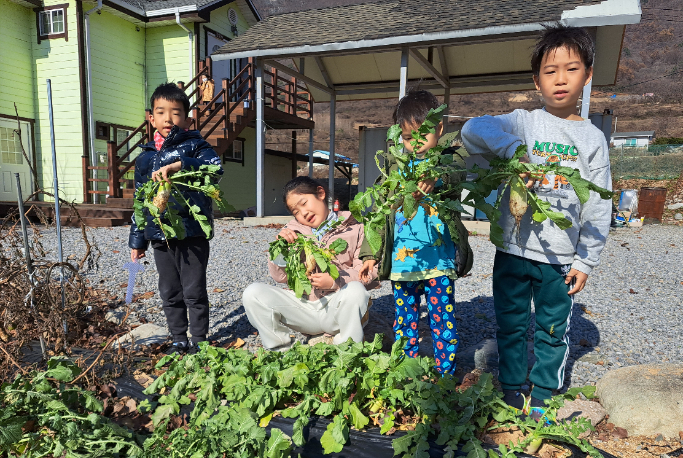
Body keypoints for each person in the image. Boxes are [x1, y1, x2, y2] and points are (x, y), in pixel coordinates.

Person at [461, 24, 612, 419]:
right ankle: (512, 387)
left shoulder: (593, 139)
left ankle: (544, 392)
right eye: (550, 71)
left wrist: (585, 260)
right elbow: (471, 129)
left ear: (588, 74)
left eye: (571, 69)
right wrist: (514, 149)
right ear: (536, 80)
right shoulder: (525, 124)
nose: (560, 79)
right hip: (512, 249)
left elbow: (598, 205)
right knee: (509, 325)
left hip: (560, 258)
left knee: (551, 329)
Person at [358, 89, 473, 375]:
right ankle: (405, 371)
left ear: (440, 128)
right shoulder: (393, 167)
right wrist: (371, 254)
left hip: (438, 262)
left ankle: (445, 375)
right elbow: (379, 216)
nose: (416, 144)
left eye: (423, 135)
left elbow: (455, 171)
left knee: (442, 319)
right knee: (404, 321)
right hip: (402, 263)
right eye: (408, 138)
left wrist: (435, 176)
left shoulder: (448, 159)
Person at [129, 82, 223, 355]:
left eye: (176, 113)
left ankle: (200, 340)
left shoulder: (196, 146)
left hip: (191, 231)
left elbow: (215, 169)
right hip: (160, 233)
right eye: (161, 112)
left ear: (187, 118)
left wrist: (182, 165)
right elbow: (139, 201)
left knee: (194, 290)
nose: (168, 119)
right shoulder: (145, 158)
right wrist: (137, 240)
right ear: (151, 117)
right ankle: (179, 338)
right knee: (169, 290)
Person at [242, 177, 378, 351]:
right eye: (296, 211)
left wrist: (335, 281)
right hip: (306, 307)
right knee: (253, 293)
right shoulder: (292, 232)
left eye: (304, 203)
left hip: (338, 307)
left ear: (320, 193)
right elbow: (280, 277)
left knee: (356, 290)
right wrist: (280, 250)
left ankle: (347, 350)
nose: (303, 213)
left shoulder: (356, 228)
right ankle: (281, 351)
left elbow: (369, 272)